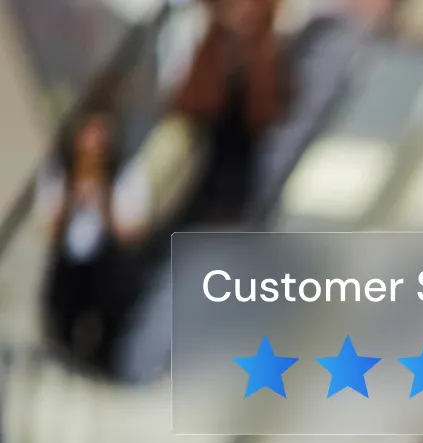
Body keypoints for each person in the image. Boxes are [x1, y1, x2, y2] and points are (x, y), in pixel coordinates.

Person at [38, 110, 150, 374]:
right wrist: (71, 201)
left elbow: (133, 232)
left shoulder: (125, 175)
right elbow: (46, 229)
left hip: (108, 271)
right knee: (60, 322)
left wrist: (104, 203)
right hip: (69, 268)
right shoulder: (60, 174)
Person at [172, 0, 288, 226]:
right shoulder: (212, 43)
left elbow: (266, 110)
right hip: (206, 152)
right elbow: (191, 102)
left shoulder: (265, 50)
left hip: (243, 160)